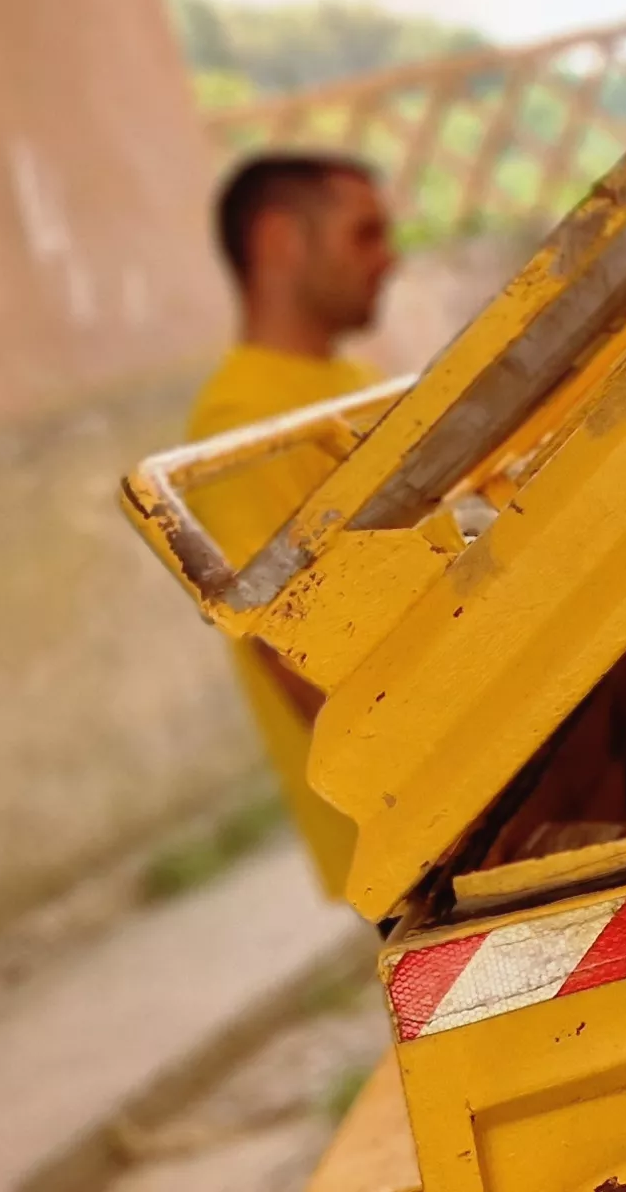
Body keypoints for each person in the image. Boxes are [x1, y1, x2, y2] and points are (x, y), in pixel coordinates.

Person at [183, 150, 401, 893]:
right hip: (413, 826)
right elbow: (290, 654)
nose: (388, 259)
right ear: (280, 242)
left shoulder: (351, 384)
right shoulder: (238, 424)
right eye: (364, 235)